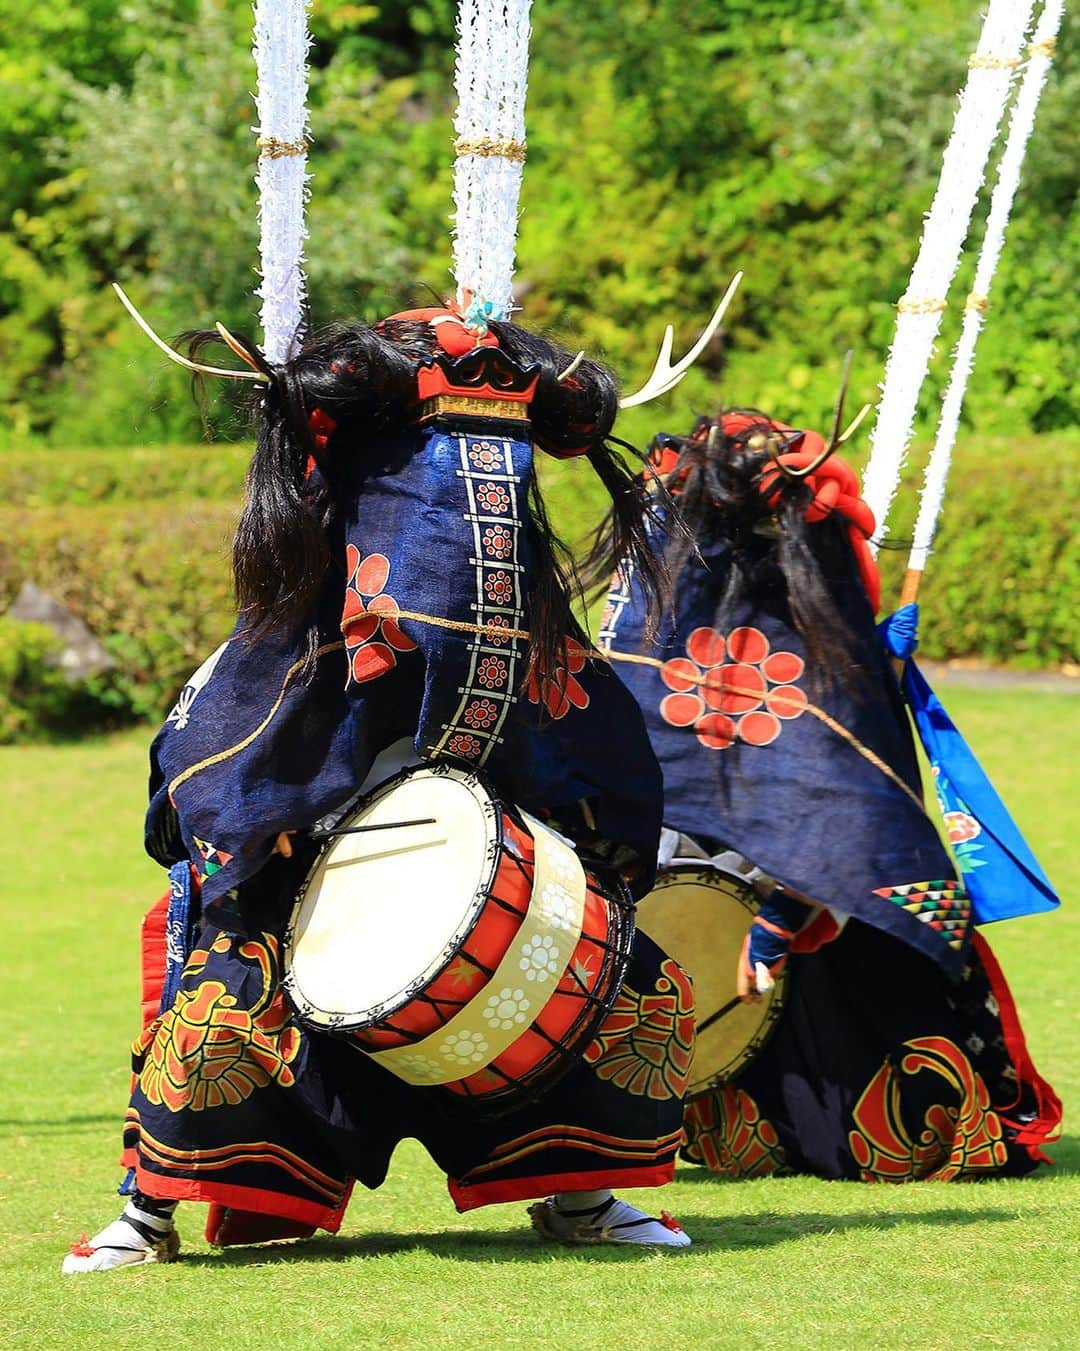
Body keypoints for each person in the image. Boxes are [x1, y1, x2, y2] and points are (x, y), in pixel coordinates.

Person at [62, 308, 696, 1272]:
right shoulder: (309, 610)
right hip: (314, 864)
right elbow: (212, 759)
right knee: (228, 973)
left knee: (608, 962)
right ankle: (150, 1207)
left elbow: (597, 756)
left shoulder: (528, 617)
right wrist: (262, 822)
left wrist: (575, 838)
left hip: (494, 849)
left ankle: (580, 1189)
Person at [597, 410, 1060, 1182]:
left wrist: (872, 659)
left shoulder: (790, 569)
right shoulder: (692, 593)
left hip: (827, 893)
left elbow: (834, 787)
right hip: (716, 865)